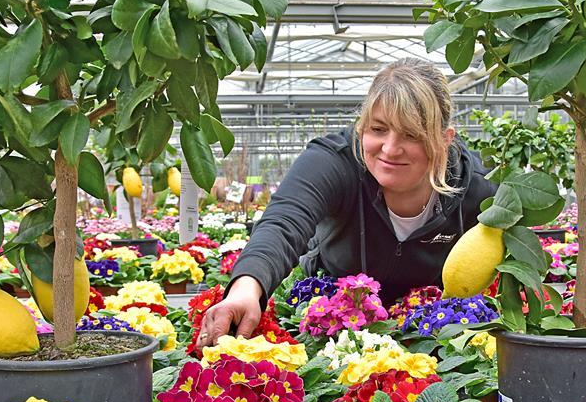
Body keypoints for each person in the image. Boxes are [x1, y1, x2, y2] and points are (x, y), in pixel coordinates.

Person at [196, 58, 496, 347]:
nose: (390, 149)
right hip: (332, 329)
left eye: (411, 135)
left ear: (444, 139)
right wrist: (246, 290)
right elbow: (284, 222)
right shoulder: (335, 162)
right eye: (378, 129)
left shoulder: (475, 186)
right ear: (362, 126)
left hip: (431, 333)